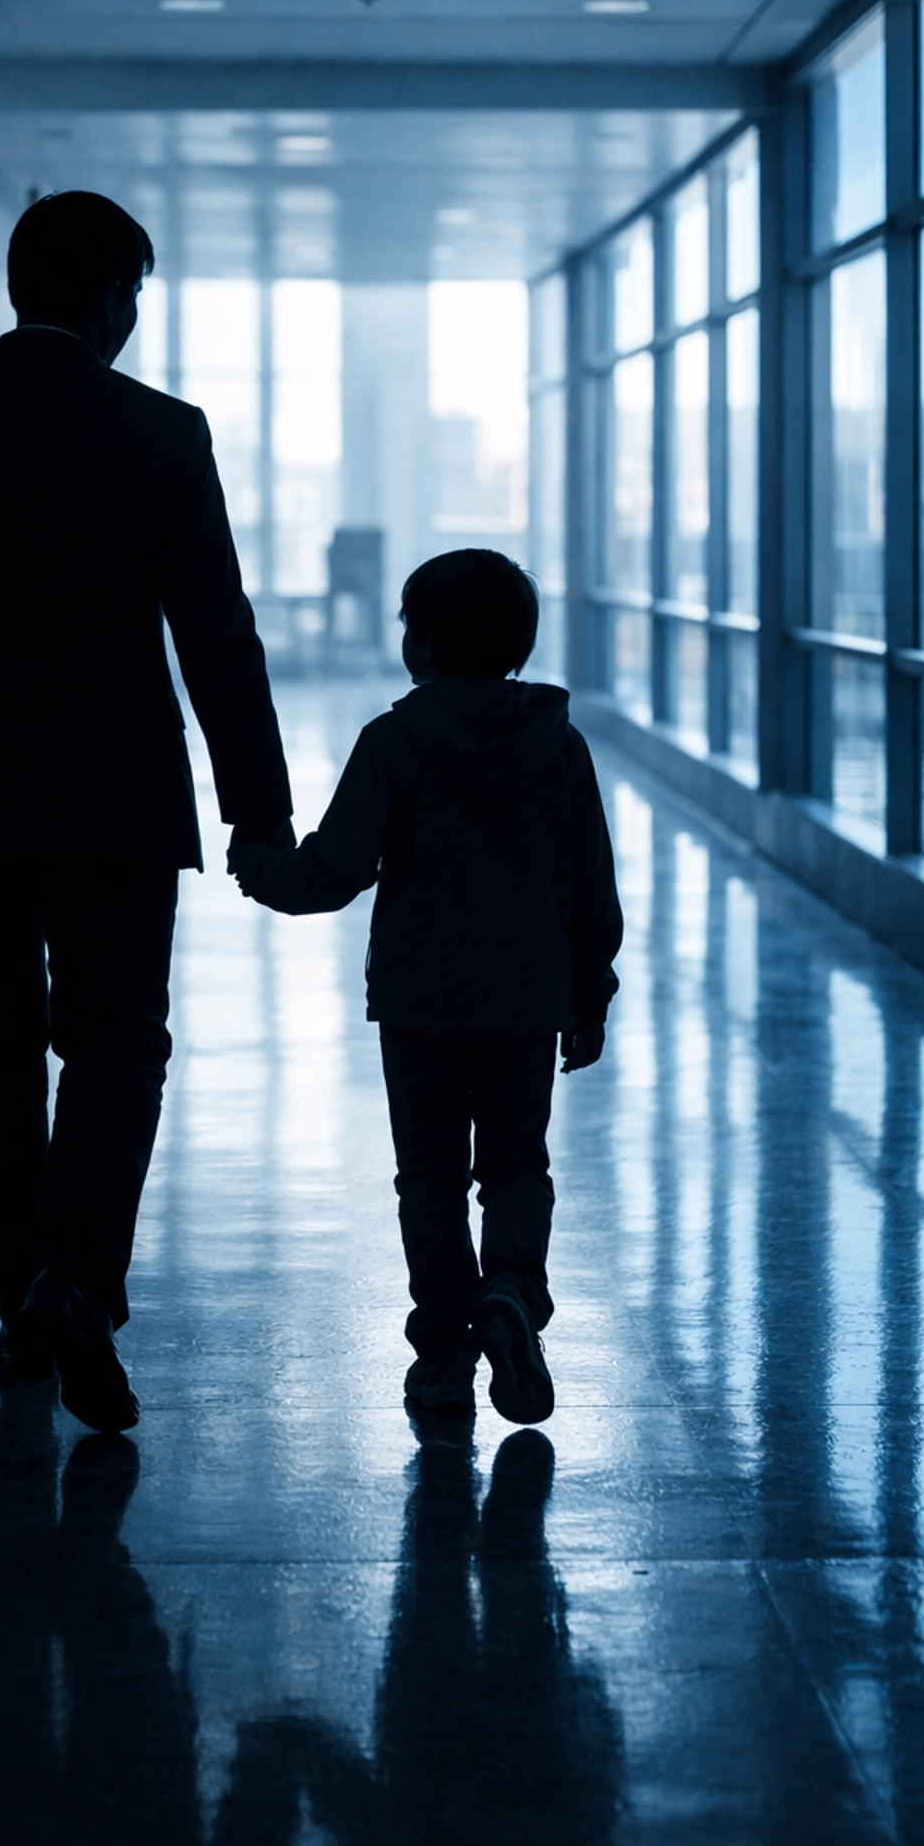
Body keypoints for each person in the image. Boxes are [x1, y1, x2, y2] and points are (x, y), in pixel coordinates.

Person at [0, 190, 293, 1435]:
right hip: (116, 799)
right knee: (117, 1045)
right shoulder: (160, 433)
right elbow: (218, 640)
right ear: (108, 299)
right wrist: (259, 808)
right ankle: (75, 1284)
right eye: (133, 296)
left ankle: (20, 1293)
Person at [230, 548, 622, 1423]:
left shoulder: (397, 742)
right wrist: (588, 992)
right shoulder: (562, 749)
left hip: (421, 1004)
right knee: (517, 1163)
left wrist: (260, 865)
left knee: (432, 1177)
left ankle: (444, 1352)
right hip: (526, 1002)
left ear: (429, 644)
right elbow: (592, 886)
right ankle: (513, 1295)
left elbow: (333, 869)